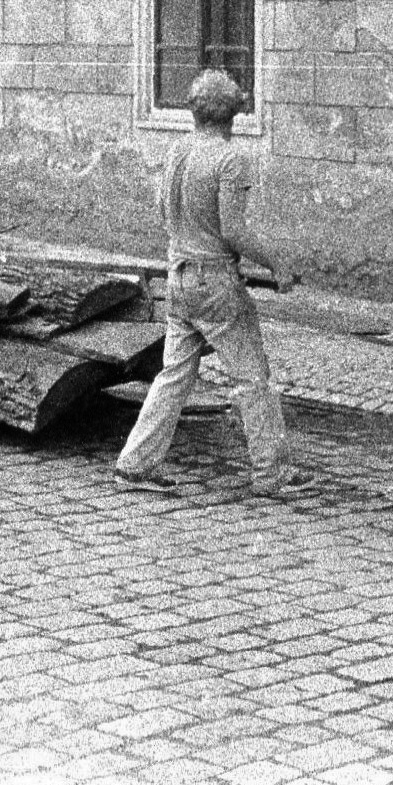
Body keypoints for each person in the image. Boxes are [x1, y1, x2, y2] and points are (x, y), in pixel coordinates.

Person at [114, 68, 315, 498]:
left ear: (194, 110)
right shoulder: (229, 159)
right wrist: (278, 266)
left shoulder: (177, 151)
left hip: (179, 277)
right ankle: (272, 472)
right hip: (215, 284)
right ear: (234, 113)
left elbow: (164, 212)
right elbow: (233, 231)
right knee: (253, 377)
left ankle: (134, 464)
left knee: (173, 375)